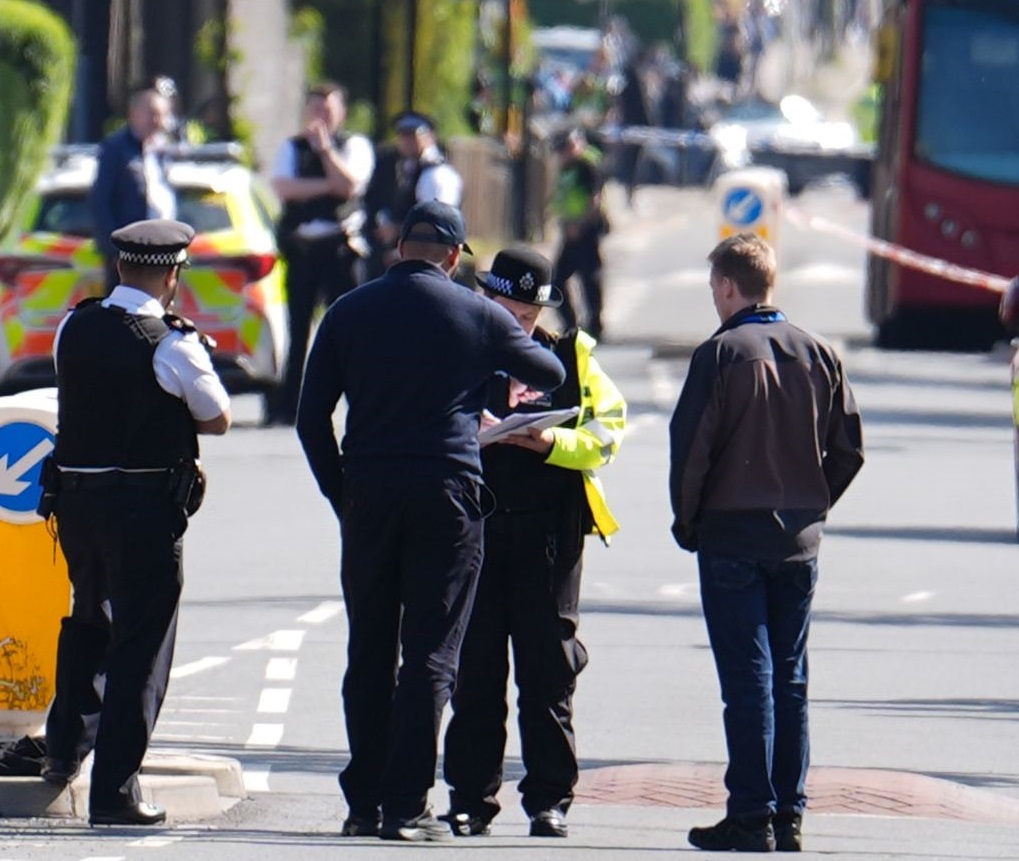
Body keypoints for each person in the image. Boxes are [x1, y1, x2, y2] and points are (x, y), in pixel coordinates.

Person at [295, 202, 566, 842]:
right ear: (452, 257)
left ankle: (363, 799)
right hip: (447, 495)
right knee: (431, 654)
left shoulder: (348, 311)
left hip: (368, 493)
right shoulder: (477, 315)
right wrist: (497, 352)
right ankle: (406, 804)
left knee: (368, 648)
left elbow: (311, 420)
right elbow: (550, 371)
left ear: (398, 248)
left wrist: (342, 493)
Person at [668, 233, 863, 853]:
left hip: (731, 533)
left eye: (713, 290)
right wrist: (812, 501)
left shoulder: (721, 353)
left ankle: (751, 812)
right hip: (798, 540)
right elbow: (849, 449)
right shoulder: (819, 352)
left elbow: (690, 450)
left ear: (728, 287)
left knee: (748, 680)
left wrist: (688, 519)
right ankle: (789, 814)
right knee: (791, 676)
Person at [42, 219, 231, 826]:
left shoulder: (75, 323)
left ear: (121, 266)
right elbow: (218, 416)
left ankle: (63, 752)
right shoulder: (170, 342)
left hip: (75, 505)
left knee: (88, 617)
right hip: (142, 510)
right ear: (174, 274)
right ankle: (116, 792)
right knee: (140, 647)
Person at [441, 247, 626, 839]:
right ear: (487, 299)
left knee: (548, 672)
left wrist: (550, 444)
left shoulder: (572, 356)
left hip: (551, 533)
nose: (517, 321)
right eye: (507, 308)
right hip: (478, 529)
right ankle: (471, 798)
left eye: (528, 312)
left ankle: (550, 798)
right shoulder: (461, 352)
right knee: (476, 671)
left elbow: (606, 433)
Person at [267, 81, 375, 427]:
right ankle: (288, 405)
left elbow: (350, 185)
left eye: (328, 109)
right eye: (316, 109)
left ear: (341, 112)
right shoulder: (291, 147)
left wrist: (327, 152)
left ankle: (362, 404)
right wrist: (328, 186)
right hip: (302, 249)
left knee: (349, 330)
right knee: (297, 329)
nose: (321, 116)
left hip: (341, 249)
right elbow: (283, 188)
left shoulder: (354, 145)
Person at [91, 87, 176, 294]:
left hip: (159, 254)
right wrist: (116, 250)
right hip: (128, 258)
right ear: (134, 114)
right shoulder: (115, 150)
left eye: (162, 115)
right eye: (153, 114)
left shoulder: (161, 151)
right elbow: (100, 201)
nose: (159, 121)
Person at [364, 110, 463, 278]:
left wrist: (397, 233)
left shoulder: (437, 174)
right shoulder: (400, 167)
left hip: (425, 264)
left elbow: (438, 224)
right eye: (402, 135)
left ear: (430, 136)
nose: (406, 141)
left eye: (413, 135)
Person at [550, 128, 608, 341]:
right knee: (557, 280)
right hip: (570, 230)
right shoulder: (568, 168)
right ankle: (571, 323)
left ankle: (594, 325)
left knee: (589, 279)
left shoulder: (586, 165)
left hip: (585, 230)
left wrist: (580, 224)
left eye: (566, 149)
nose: (562, 154)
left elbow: (595, 199)